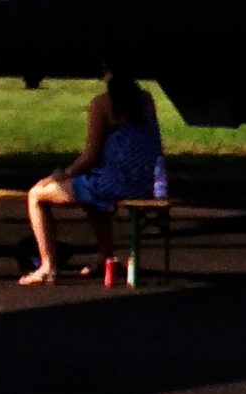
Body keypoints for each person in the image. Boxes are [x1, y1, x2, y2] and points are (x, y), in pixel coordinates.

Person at [20, 70, 163, 285]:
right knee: (93, 202)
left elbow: (91, 156)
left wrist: (61, 175)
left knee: (36, 195)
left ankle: (47, 266)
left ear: (106, 73)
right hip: (143, 183)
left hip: (112, 184)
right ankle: (106, 256)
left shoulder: (103, 104)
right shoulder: (146, 100)